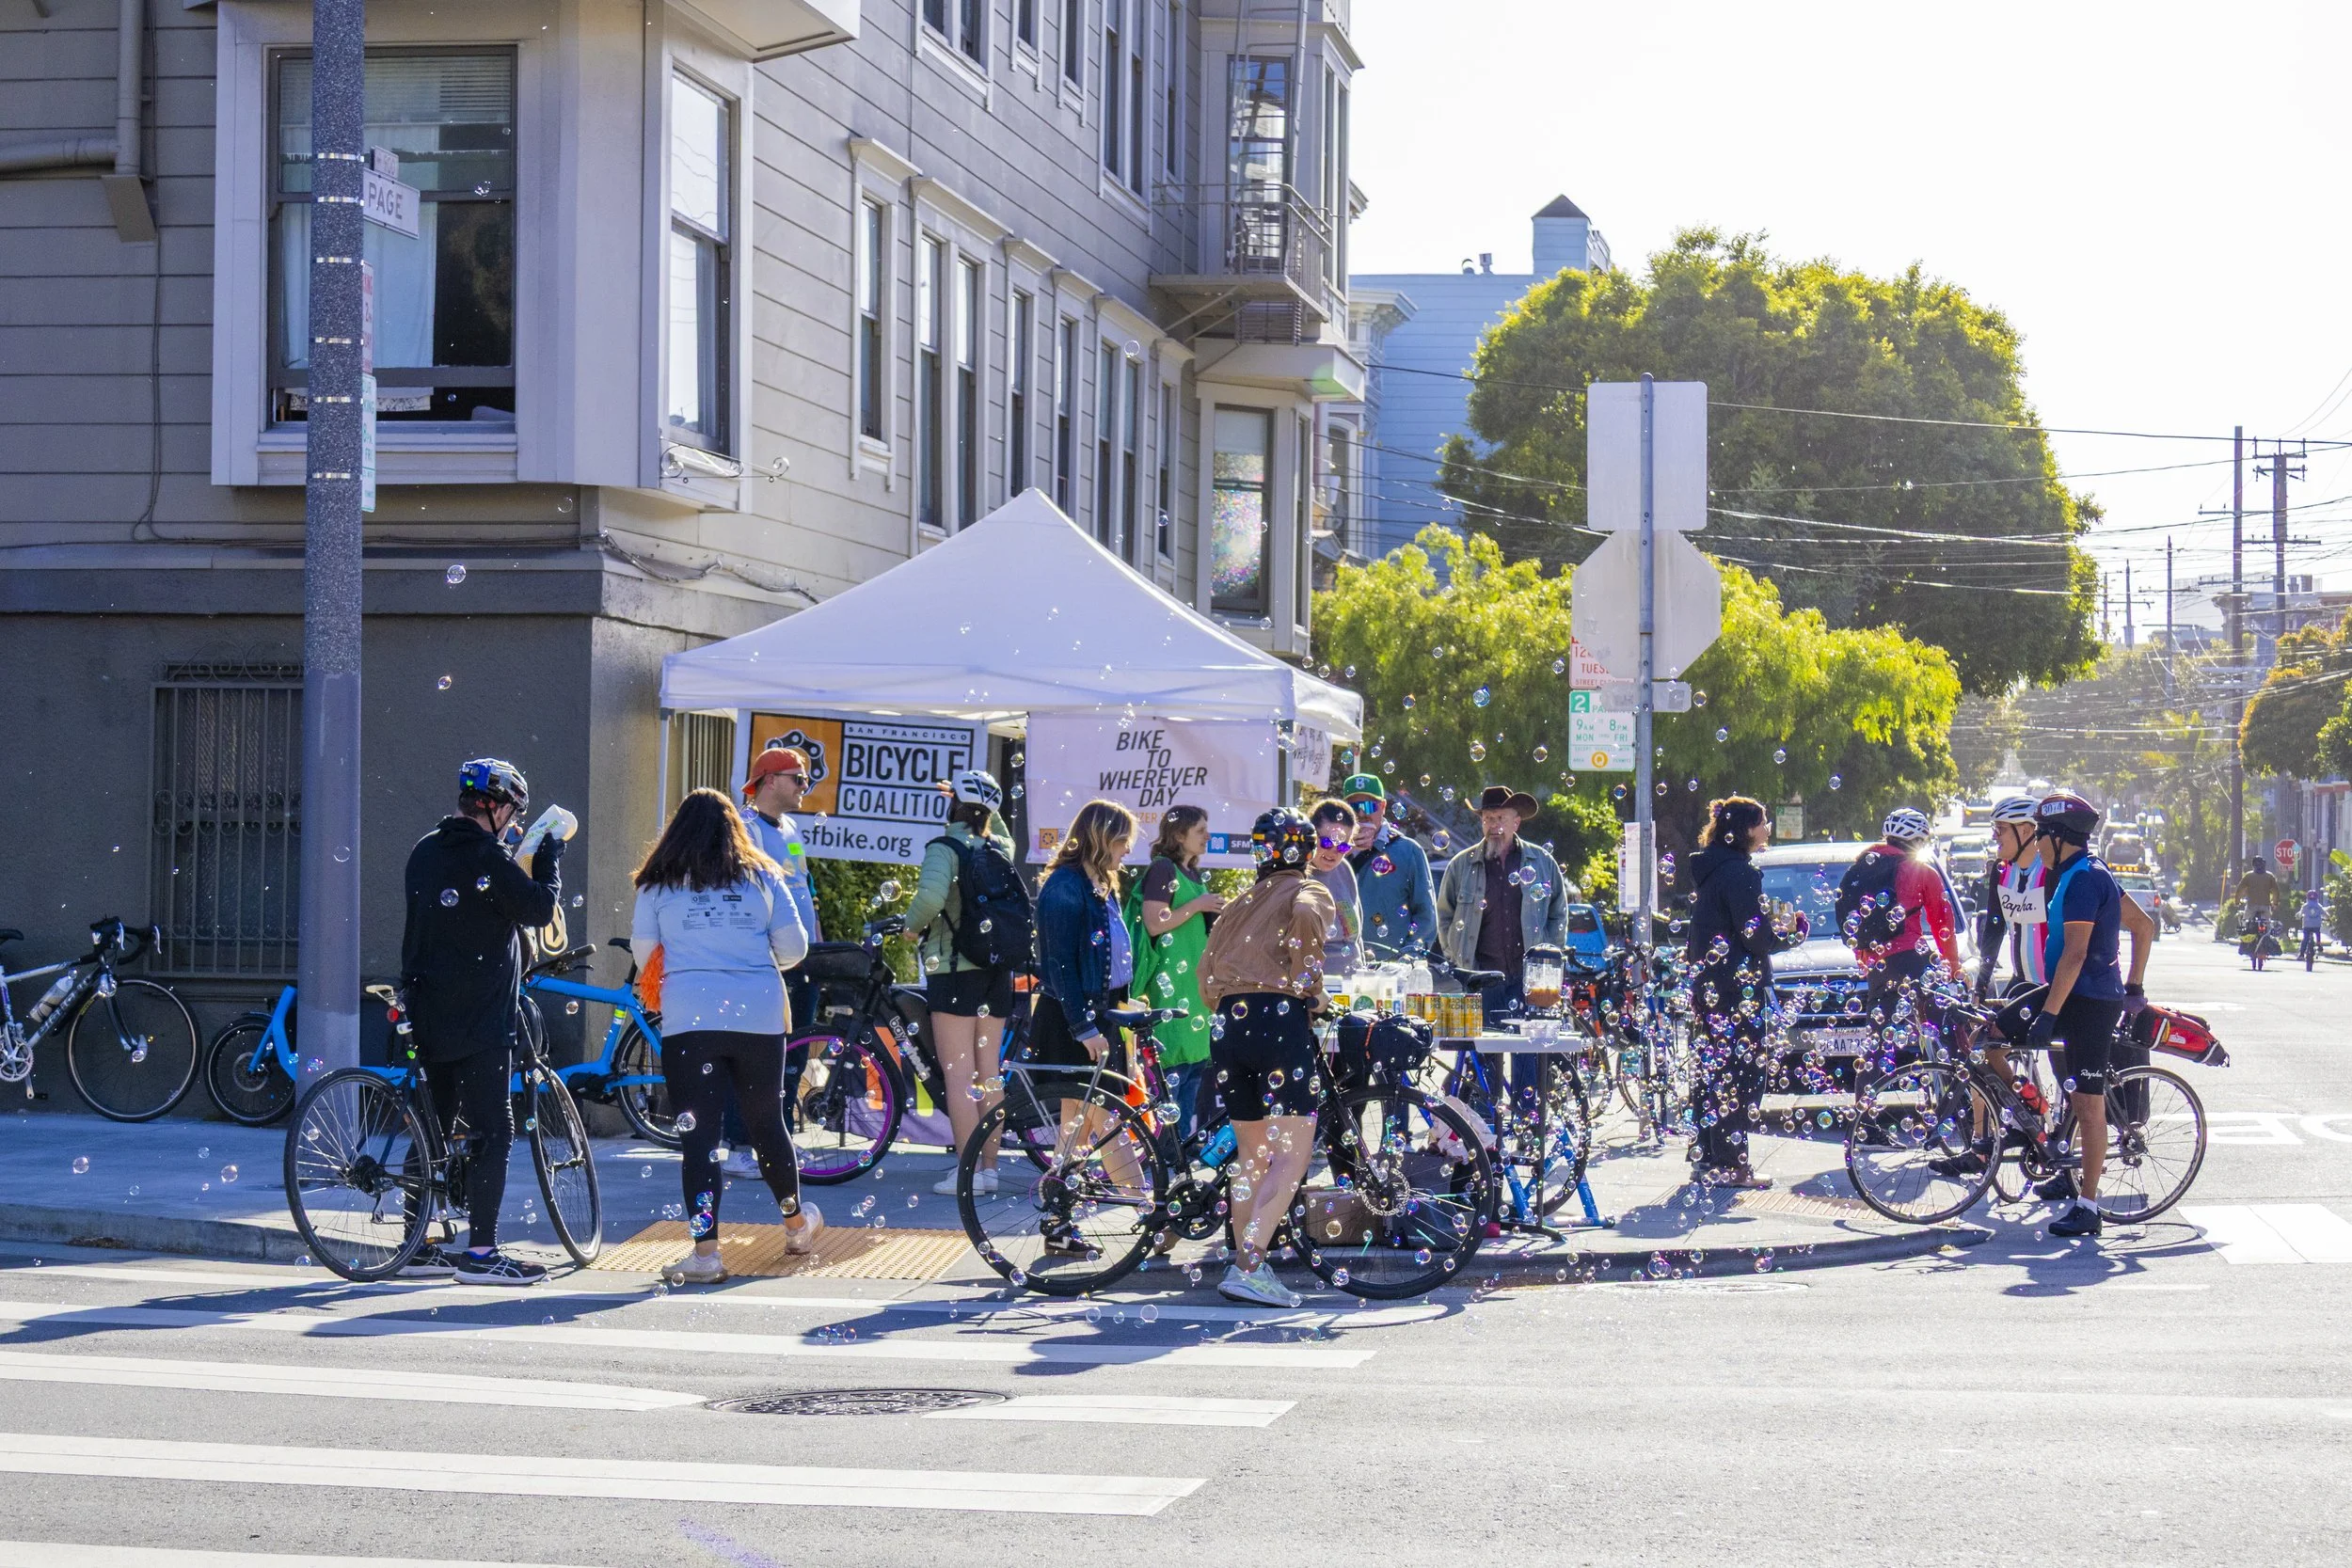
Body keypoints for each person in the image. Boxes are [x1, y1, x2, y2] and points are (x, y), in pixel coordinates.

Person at [632, 787, 821, 1284]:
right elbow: (795, 947)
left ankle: (706, 1254)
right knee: (767, 1124)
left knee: (699, 1138)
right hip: (758, 1014)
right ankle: (796, 1227)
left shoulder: (657, 883)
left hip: (689, 1018)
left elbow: (644, 953)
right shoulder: (764, 876)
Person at [398, 758, 563, 1286]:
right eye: (514, 812)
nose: (514, 822)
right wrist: (548, 860)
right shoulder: (487, 857)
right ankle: (481, 1253)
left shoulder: (425, 851)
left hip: (426, 1010)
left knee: (433, 1127)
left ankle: (415, 1245)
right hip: (481, 1016)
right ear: (498, 808)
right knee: (495, 1129)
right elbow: (538, 909)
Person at [1198, 807, 1338, 1308]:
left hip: (1228, 1024)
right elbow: (1307, 917)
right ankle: (1249, 1267)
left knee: (1252, 1156)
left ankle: (1246, 1263)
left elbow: (1204, 975)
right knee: (1291, 1156)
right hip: (1279, 1023)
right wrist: (1311, 988)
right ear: (1305, 850)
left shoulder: (1239, 902)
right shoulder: (1309, 890)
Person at [2014, 791, 2157, 1241]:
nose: (2036, 844)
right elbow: (2143, 926)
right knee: (1992, 1033)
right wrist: (2133, 985)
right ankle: (2041, 1142)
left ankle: (2089, 1205)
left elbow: (2075, 955)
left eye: (2040, 835)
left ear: (2059, 838)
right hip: (2067, 995)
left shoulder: (2084, 880)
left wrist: (2049, 1014)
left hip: (2090, 1004)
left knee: (2088, 1104)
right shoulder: (2083, 873)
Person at [1030, 799, 1143, 1259]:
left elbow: (1108, 957)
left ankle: (1057, 1224)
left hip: (1099, 1017)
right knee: (1105, 1121)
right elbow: (1059, 965)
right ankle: (1151, 1213)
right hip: (1074, 1021)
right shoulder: (1065, 886)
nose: (1127, 851)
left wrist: (1123, 1007)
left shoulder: (1101, 882)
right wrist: (1084, 1027)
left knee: (1075, 1129)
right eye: (1123, 841)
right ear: (1101, 838)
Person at [902, 769, 1019, 1196]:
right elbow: (999, 829)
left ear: (953, 805)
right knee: (989, 1074)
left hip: (954, 972)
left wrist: (911, 927)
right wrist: (986, 803)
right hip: (997, 973)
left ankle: (967, 1174)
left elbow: (931, 898)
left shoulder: (944, 848)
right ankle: (988, 1169)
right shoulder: (1000, 847)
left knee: (959, 1077)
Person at [1682, 796, 1806, 1188]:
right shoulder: (1740, 873)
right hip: (1738, 991)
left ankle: (1706, 1159)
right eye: (1763, 821)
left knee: (1713, 1072)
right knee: (1741, 1076)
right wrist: (1792, 934)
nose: (1768, 828)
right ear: (1747, 829)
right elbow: (1756, 938)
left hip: (1711, 988)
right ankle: (1730, 1165)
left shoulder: (1713, 870)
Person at [729, 744, 825, 1177]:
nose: (805, 786)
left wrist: (815, 944)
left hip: (801, 959)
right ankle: (739, 1147)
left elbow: (804, 887)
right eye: (798, 778)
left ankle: (778, 1143)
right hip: (764, 962)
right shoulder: (744, 828)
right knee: (754, 1056)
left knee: (793, 1056)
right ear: (769, 781)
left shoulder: (790, 827)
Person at [1435, 785, 1571, 1019]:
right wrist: (1455, 954)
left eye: (1501, 818)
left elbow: (1558, 913)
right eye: (1488, 819)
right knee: (1482, 1041)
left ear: (1516, 823)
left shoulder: (1542, 862)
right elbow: (1445, 915)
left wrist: (1548, 957)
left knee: (1528, 1042)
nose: (1494, 825)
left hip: (1529, 981)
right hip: (1480, 979)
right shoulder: (1461, 865)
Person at [1129, 803, 1223, 1137]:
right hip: (1172, 983)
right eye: (1200, 831)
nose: (1207, 836)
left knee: (1193, 1070)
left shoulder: (1191, 873)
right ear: (1179, 835)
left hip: (1192, 985)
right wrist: (1199, 905)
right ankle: (1166, 1148)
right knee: (1174, 1071)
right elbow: (1155, 923)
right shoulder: (1163, 869)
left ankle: (1180, 1146)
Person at [1840, 807, 1963, 1034]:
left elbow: (1856, 921)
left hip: (1877, 964)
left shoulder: (1861, 869)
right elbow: (1942, 923)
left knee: (1879, 1041)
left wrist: (1863, 957)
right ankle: (1953, 1053)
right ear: (1917, 841)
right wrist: (1953, 967)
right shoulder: (1922, 871)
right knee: (1948, 1027)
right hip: (1914, 958)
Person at [1340, 773, 1438, 959]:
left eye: (1369, 806)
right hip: (1342, 963)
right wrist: (1344, 851)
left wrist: (1408, 958)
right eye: (1354, 807)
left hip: (1391, 966)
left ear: (1383, 807)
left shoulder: (1408, 851)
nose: (1361, 814)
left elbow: (1426, 915)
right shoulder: (1331, 852)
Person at [1975, 795, 2050, 1000]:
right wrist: (1981, 985)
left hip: (2053, 986)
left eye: (2001, 829)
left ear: (2026, 830)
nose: (1994, 836)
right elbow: (1994, 928)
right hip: (2020, 981)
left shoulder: (2051, 871)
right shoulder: (2000, 871)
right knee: (1984, 1022)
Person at [1309, 799, 1365, 978]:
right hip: (1315, 985)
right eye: (1327, 842)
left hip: (1353, 982)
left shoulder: (1344, 869)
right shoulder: (1294, 875)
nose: (1334, 852)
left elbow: (1356, 939)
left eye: (1342, 846)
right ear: (1311, 835)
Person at [2236, 857, 2280, 968]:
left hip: (2251, 906)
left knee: (2245, 923)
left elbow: (2240, 889)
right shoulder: (2269, 876)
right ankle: (2266, 943)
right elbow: (2275, 891)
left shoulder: (2248, 876)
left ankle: (2245, 943)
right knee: (2267, 927)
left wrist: (2237, 901)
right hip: (2265, 907)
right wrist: (2275, 903)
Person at [2299, 888, 2328, 968]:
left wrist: (2298, 916)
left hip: (2307, 925)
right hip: (2316, 925)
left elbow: (2300, 913)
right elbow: (2325, 914)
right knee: (2318, 933)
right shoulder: (2318, 906)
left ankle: (2301, 954)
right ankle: (2318, 944)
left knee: (2305, 939)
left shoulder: (2305, 906)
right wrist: (2328, 918)